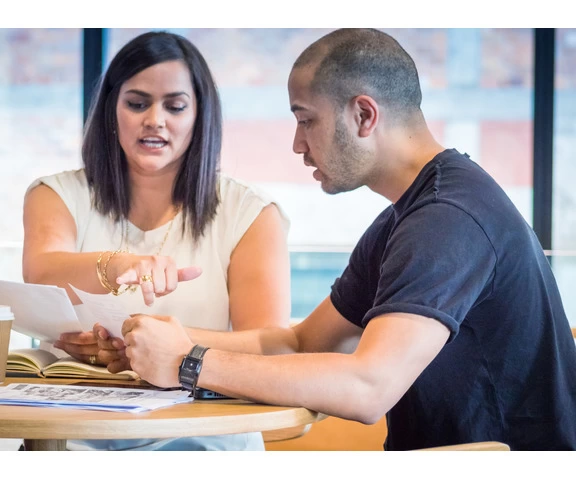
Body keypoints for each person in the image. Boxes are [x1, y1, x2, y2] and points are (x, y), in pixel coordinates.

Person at [96, 28, 576, 451]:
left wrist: (189, 362)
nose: (297, 144)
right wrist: (159, 339)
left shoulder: (447, 219)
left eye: (306, 120)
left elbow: (368, 387)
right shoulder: (407, 217)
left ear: (364, 115)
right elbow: (302, 342)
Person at [22, 31, 291, 451]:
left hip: (204, 439)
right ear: (112, 110)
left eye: (175, 106)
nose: (155, 119)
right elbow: (41, 271)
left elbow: (270, 346)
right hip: (75, 437)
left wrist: (156, 348)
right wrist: (117, 265)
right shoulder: (55, 194)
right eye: (137, 103)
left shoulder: (251, 212)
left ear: (199, 115)